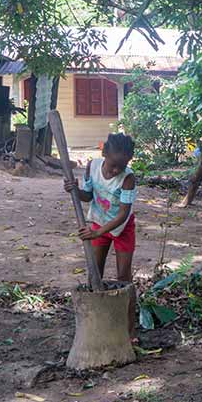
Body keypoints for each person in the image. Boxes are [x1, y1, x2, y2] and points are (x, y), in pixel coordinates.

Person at [64, 133, 138, 337]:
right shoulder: (92, 167)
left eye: (121, 167)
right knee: (94, 273)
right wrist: (75, 191)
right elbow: (88, 196)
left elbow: (123, 214)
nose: (116, 171)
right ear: (104, 153)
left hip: (122, 230)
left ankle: (129, 330)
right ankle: (96, 324)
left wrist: (97, 231)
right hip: (98, 223)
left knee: (124, 279)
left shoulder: (128, 179)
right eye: (113, 165)